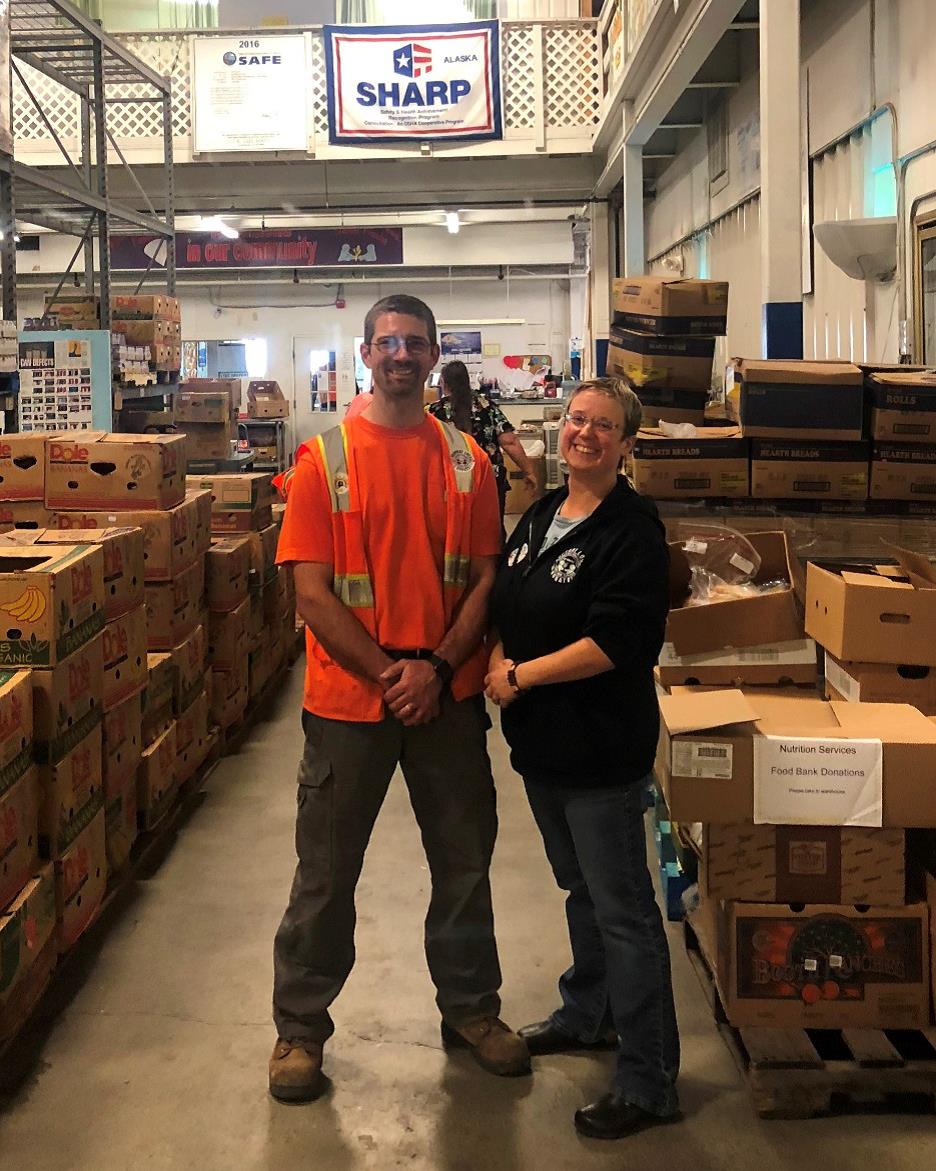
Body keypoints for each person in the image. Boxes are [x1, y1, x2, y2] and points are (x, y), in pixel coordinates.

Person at [270, 293, 530, 1103]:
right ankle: (299, 1029)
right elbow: (311, 593)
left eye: (415, 343)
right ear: (365, 353)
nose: (401, 355)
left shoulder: (467, 460)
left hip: (447, 698)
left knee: (463, 862)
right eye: (387, 342)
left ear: (433, 354)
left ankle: (472, 1010)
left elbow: (486, 579)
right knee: (325, 872)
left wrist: (437, 667)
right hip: (351, 704)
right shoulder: (323, 459)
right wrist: (394, 673)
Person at [484, 377, 679, 1141]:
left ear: (626, 443)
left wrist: (521, 675)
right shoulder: (541, 514)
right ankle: (589, 1012)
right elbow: (507, 600)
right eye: (576, 419)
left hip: (601, 752)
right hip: (544, 750)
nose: (584, 433)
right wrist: (498, 658)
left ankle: (649, 1079)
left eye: (603, 425)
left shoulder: (631, 529)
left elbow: (617, 640)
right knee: (581, 891)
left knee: (624, 912)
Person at [428, 360, 538, 523]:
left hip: (452, 483)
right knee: (492, 529)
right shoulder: (487, 406)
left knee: (457, 529)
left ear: (443, 382)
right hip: (489, 479)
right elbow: (510, 441)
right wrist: (528, 471)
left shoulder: (435, 412)